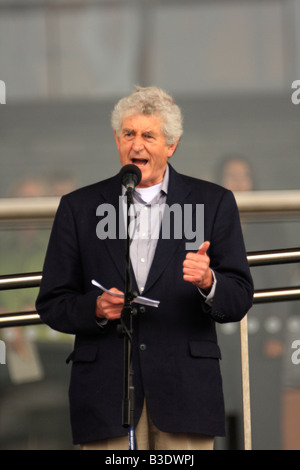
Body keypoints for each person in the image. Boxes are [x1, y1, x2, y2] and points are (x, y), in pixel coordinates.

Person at [36, 86, 254, 450]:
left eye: (148, 135)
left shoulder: (213, 202)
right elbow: (53, 302)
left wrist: (209, 281)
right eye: (128, 134)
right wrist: (95, 308)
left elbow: (239, 296)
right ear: (116, 139)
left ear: (171, 145)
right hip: (107, 397)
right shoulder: (79, 207)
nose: (136, 145)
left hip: (185, 395)